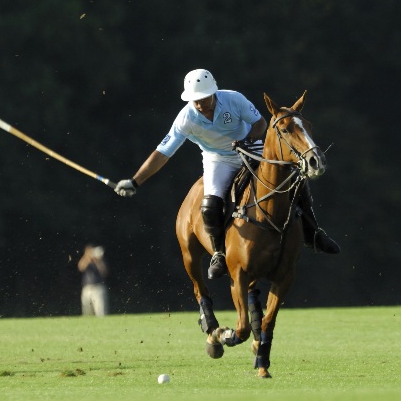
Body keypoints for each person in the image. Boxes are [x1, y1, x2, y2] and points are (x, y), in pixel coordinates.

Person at [114, 69, 340, 280]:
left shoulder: (234, 99)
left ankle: (313, 234)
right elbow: (162, 153)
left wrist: (246, 140)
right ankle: (219, 253)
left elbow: (260, 124)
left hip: (252, 149)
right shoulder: (186, 119)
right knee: (211, 204)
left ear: (214, 92)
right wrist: (135, 181)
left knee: (294, 181)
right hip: (218, 160)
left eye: (204, 98)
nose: (201, 104)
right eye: (196, 100)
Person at [78, 244, 109, 316]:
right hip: (87, 288)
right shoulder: (86, 260)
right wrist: (87, 257)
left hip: (98, 288)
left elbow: (104, 272)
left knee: (100, 312)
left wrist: (97, 260)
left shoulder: (101, 260)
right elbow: (81, 267)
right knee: (87, 312)